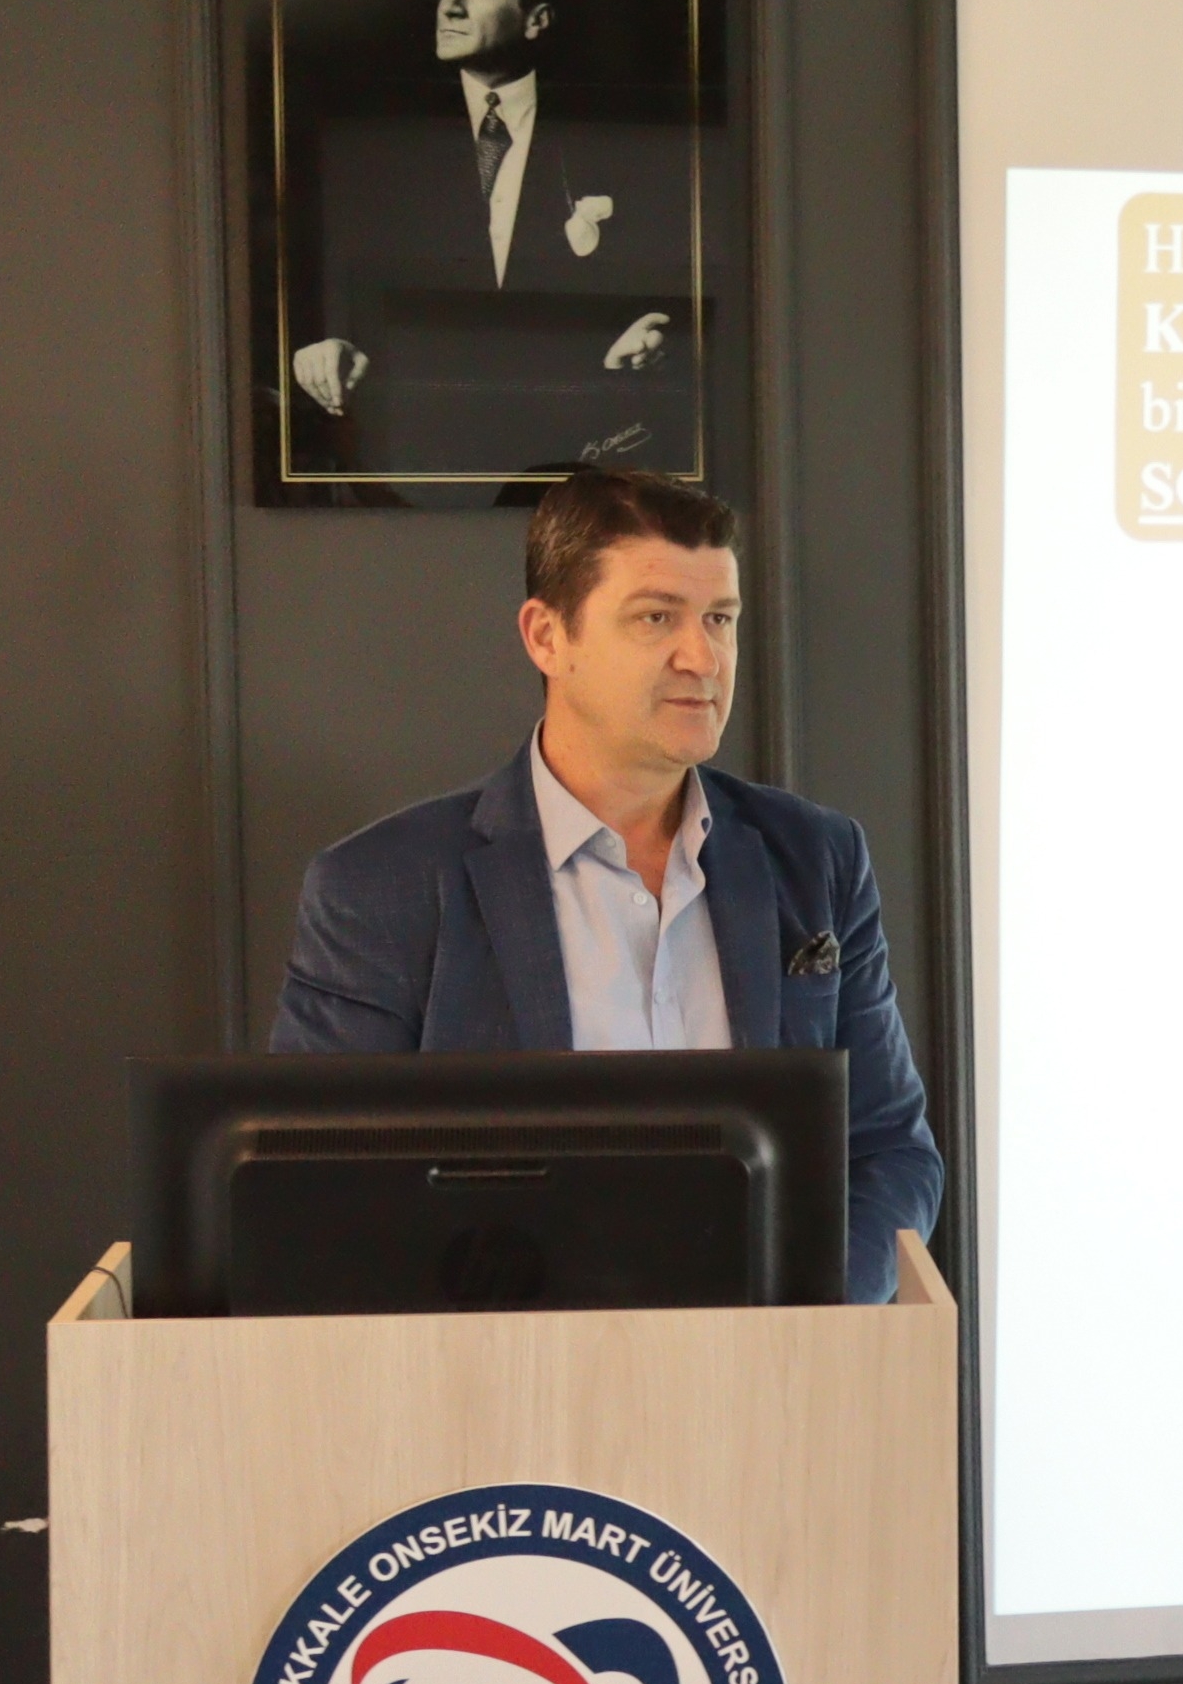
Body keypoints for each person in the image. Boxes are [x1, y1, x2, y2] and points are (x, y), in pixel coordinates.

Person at [272, 466, 942, 1302]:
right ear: (548, 637)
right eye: (656, 617)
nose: (702, 657)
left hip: (770, 1368)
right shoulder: (380, 887)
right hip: (499, 1369)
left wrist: (811, 1321)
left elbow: (888, 1151)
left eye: (720, 618)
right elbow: (322, 1195)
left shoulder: (816, 857)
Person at [287, 0, 695, 480]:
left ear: (536, 20)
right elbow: (328, 287)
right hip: (419, 452)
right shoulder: (382, 136)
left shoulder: (614, 134)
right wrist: (324, 344)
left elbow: (669, 290)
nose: (450, 6)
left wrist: (641, 343)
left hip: (574, 442)